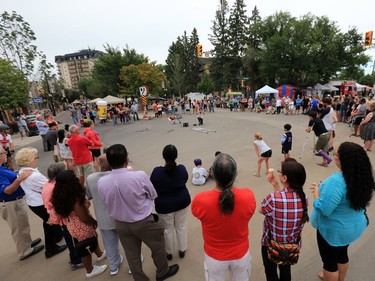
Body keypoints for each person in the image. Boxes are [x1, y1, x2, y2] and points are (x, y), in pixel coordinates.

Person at [98, 144, 179, 281]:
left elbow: (106, 201)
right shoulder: (139, 176)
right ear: (126, 159)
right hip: (143, 221)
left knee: (132, 255)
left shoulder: (102, 182)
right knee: (158, 247)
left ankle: (140, 279)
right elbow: (153, 194)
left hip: (121, 224)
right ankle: (162, 272)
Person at [310, 142, 375, 281]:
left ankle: (330, 274)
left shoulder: (336, 181)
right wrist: (327, 189)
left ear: (345, 160)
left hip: (334, 231)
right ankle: (341, 278)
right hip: (352, 227)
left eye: (336, 154)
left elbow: (323, 209)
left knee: (329, 262)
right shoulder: (361, 175)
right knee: (342, 253)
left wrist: (317, 192)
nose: (334, 156)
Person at [192, 153, 256, 281]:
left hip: (214, 257)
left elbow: (197, 213)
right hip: (240, 254)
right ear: (236, 174)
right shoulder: (248, 196)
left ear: (213, 175)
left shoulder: (200, 200)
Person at [52, 170, 107, 278]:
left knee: (92, 238)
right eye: (75, 176)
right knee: (86, 247)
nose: (77, 176)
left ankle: (100, 254)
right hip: (81, 225)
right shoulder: (75, 198)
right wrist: (94, 222)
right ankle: (90, 270)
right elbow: (84, 217)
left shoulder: (61, 195)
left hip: (72, 225)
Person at [261, 159, 309, 281]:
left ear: (284, 178)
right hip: (291, 246)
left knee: (271, 271)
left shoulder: (273, 198)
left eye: (279, 171)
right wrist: (277, 186)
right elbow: (285, 204)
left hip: (271, 244)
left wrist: (276, 189)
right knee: (286, 270)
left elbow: (262, 210)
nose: (278, 173)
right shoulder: (304, 198)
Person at [15, 147, 67, 259]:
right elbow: (49, 185)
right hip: (40, 202)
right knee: (50, 223)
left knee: (49, 222)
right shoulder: (34, 175)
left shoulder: (22, 171)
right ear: (29, 160)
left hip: (33, 202)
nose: (37, 159)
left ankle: (57, 237)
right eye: (36, 157)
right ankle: (51, 249)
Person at [86, 154, 129, 276]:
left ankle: (114, 266)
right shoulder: (119, 176)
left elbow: (89, 196)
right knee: (129, 242)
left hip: (103, 218)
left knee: (109, 244)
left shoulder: (91, 178)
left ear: (99, 164)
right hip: (122, 216)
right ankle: (132, 265)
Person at [0, 146, 44, 260]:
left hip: (15, 201)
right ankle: (24, 251)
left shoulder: (2, 168)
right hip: (10, 203)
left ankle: (27, 243)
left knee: (23, 224)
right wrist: (20, 179)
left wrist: (16, 174)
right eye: (4, 152)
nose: (6, 154)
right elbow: (7, 190)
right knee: (18, 228)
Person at [150, 145, 191, 261]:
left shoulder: (157, 172)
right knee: (181, 226)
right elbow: (185, 179)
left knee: (167, 229)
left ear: (163, 156)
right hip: (181, 202)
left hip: (164, 206)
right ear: (176, 156)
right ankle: (182, 249)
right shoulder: (181, 169)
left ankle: (169, 252)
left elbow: (152, 185)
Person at [42, 162, 83, 270]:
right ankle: (76, 259)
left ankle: (75, 258)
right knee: (74, 239)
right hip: (65, 219)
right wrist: (54, 219)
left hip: (62, 220)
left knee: (71, 239)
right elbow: (55, 207)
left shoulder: (47, 185)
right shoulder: (55, 188)